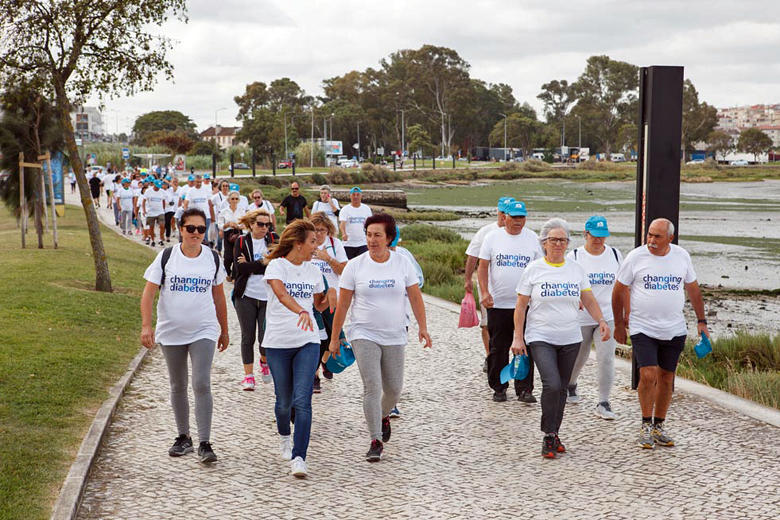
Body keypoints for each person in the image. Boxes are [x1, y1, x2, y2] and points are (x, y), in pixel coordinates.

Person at [329, 213, 432, 463]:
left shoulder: (402, 263)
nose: (372, 240)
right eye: (368, 234)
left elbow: (415, 297)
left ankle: (384, 415)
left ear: (389, 238)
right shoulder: (355, 265)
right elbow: (342, 306)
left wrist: (423, 327)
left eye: (377, 235)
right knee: (372, 386)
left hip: (395, 333)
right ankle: (375, 439)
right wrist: (335, 337)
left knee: (394, 389)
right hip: (363, 332)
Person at [511, 218, 610, 458]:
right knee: (552, 384)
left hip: (570, 337)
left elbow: (587, 299)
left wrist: (601, 321)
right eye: (553, 240)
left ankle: (554, 433)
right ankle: (547, 434)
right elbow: (521, 305)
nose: (558, 244)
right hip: (540, 336)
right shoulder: (533, 269)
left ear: (567, 244)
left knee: (562, 389)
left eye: (562, 240)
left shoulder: (575, 269)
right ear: (544, 243)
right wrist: (518, 337)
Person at [140, 208, 229, 464]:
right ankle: (183, 437)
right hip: (171, 331)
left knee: (201, 382)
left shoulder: (212, 258)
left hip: (203, 330)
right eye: (191, 228)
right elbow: (148, 294)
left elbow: (219, 296)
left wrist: (224, 329)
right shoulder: (167, 257)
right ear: (180, 229)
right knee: (178, 384)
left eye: (201, 229)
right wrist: (147, 326)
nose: (196, 234)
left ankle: (205, 442)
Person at [612, 218, 709, 450]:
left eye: (657, 236)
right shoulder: (636, 257)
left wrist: (702, 321)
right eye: (649, 235)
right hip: (643, 327)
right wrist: (618, 324)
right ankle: (645, 424)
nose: (651, 240)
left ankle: (659, 425)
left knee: (667, 377)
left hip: (674, 329)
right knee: (648, 374)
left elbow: (693, 289)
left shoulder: (682, 256)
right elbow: (618, 291)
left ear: (670, 238)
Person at [262, 219, 332, 478]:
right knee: (283, 403)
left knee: (303, 401)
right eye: (312, 242)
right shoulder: (276, 267)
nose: (316, 246)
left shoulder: (314, 271)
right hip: (278, 342)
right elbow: (281, 295)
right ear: (297, 243)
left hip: (308, 341)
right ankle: (284, 437)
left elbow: (319, 307)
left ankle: (299, 456)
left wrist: (330, 298)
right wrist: (300, 309)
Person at [478, 200, 542, 403]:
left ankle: (524, 389)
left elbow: (540, 268)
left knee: (525, 347)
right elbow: (482, 266)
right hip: (498, 303)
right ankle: (499, 386)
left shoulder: (532, 238)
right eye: (514, 217)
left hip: (525, 304)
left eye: (521, 217)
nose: (517, 221)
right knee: (499, 347)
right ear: (504, 217)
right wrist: (484, 292)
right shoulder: (492, 237)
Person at [565, 216, 622, 419]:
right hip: (581, 317)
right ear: (585, 234)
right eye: (595, 236)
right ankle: (570, 384)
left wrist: (625, 314)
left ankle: (603, 401)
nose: (599, 240)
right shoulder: (574, 257)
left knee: (606, 358)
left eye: (603, 236)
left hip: (607, 316)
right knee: (579, 356)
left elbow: (622, 285)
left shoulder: (615, 255)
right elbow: (566, 281)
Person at [464, 197, 512, 373]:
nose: (504, 217)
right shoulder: (485, 232)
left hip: (512, 290)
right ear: (497, 212)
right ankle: (490, 356)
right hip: (487, 286)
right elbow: (472, 255)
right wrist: (468, 279)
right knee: (486, 324)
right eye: (501, 213)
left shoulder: (520, 233)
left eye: (507, 213)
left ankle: (506, 356)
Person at [233, 209, 275, 390]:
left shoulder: (273, 240)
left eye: (267, 224)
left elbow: (276, 265)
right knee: (247, 336)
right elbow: (239, 269)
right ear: (251, 224)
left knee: (265, 337)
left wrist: (250, 265)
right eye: (260, 224)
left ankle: (264, 362)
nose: (264, 228)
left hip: (268, 296)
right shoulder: (241, 241)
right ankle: (248, 376)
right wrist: (262, 263)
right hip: (246, 296)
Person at [309, 212, 348, 390]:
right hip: (311, 299)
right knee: (316, 336)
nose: (318, 234)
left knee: (332, 336)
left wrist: (328, 258)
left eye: (322, 230)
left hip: (333, 298)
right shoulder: (306, 244)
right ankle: (314, 374)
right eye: (315, 230)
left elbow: (343, 271)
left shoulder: (335, 245)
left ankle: (324, 361)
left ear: (328, 231)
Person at [217, 191, 245, 280]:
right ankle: (228, 272)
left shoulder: (242, 210)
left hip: (238, 233)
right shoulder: (224, 211)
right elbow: (220, 224)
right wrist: (228, 224)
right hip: (228, 234)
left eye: (236, 199)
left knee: (237, 255)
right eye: (232, 199)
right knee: (228, 256)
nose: (234, 200)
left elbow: (245, 224)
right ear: (229, 200)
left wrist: (238, 226)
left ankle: (234, 276)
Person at [338, 186, 372, 259]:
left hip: (363, 243)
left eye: (357, 195)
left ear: (361, 196)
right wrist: (344, 234)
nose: (355, 197)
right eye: (353, 195)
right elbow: (342, 224)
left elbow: (370, 224)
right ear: (350, 196)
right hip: (348, 243)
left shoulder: (366, 209)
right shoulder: (345, 209)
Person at [182, 175, 215, 247]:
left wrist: (212, 216)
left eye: (200, 182)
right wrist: (186, 215)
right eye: (197, 182)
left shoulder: (206, 190)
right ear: (194, 182)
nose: (199, 184)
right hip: (196, 217)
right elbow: (186, 204)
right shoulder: (190, 191)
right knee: (199, 234)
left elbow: (210, 204)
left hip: (206, 216)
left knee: (205, 234)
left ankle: (206, 250)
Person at [143, 180, 167, 247]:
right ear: (154, 185)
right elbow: (144, 201)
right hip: (151, 212)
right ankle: (153, 240)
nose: (158, 188)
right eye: (156, 186)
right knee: (151, 227)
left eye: (159, 187)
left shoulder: (162, 192)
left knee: (162, 225)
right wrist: (144, 210)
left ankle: (160, 239)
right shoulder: (148, 191)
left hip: (160, 211)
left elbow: (163, 201)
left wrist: (163, 209)